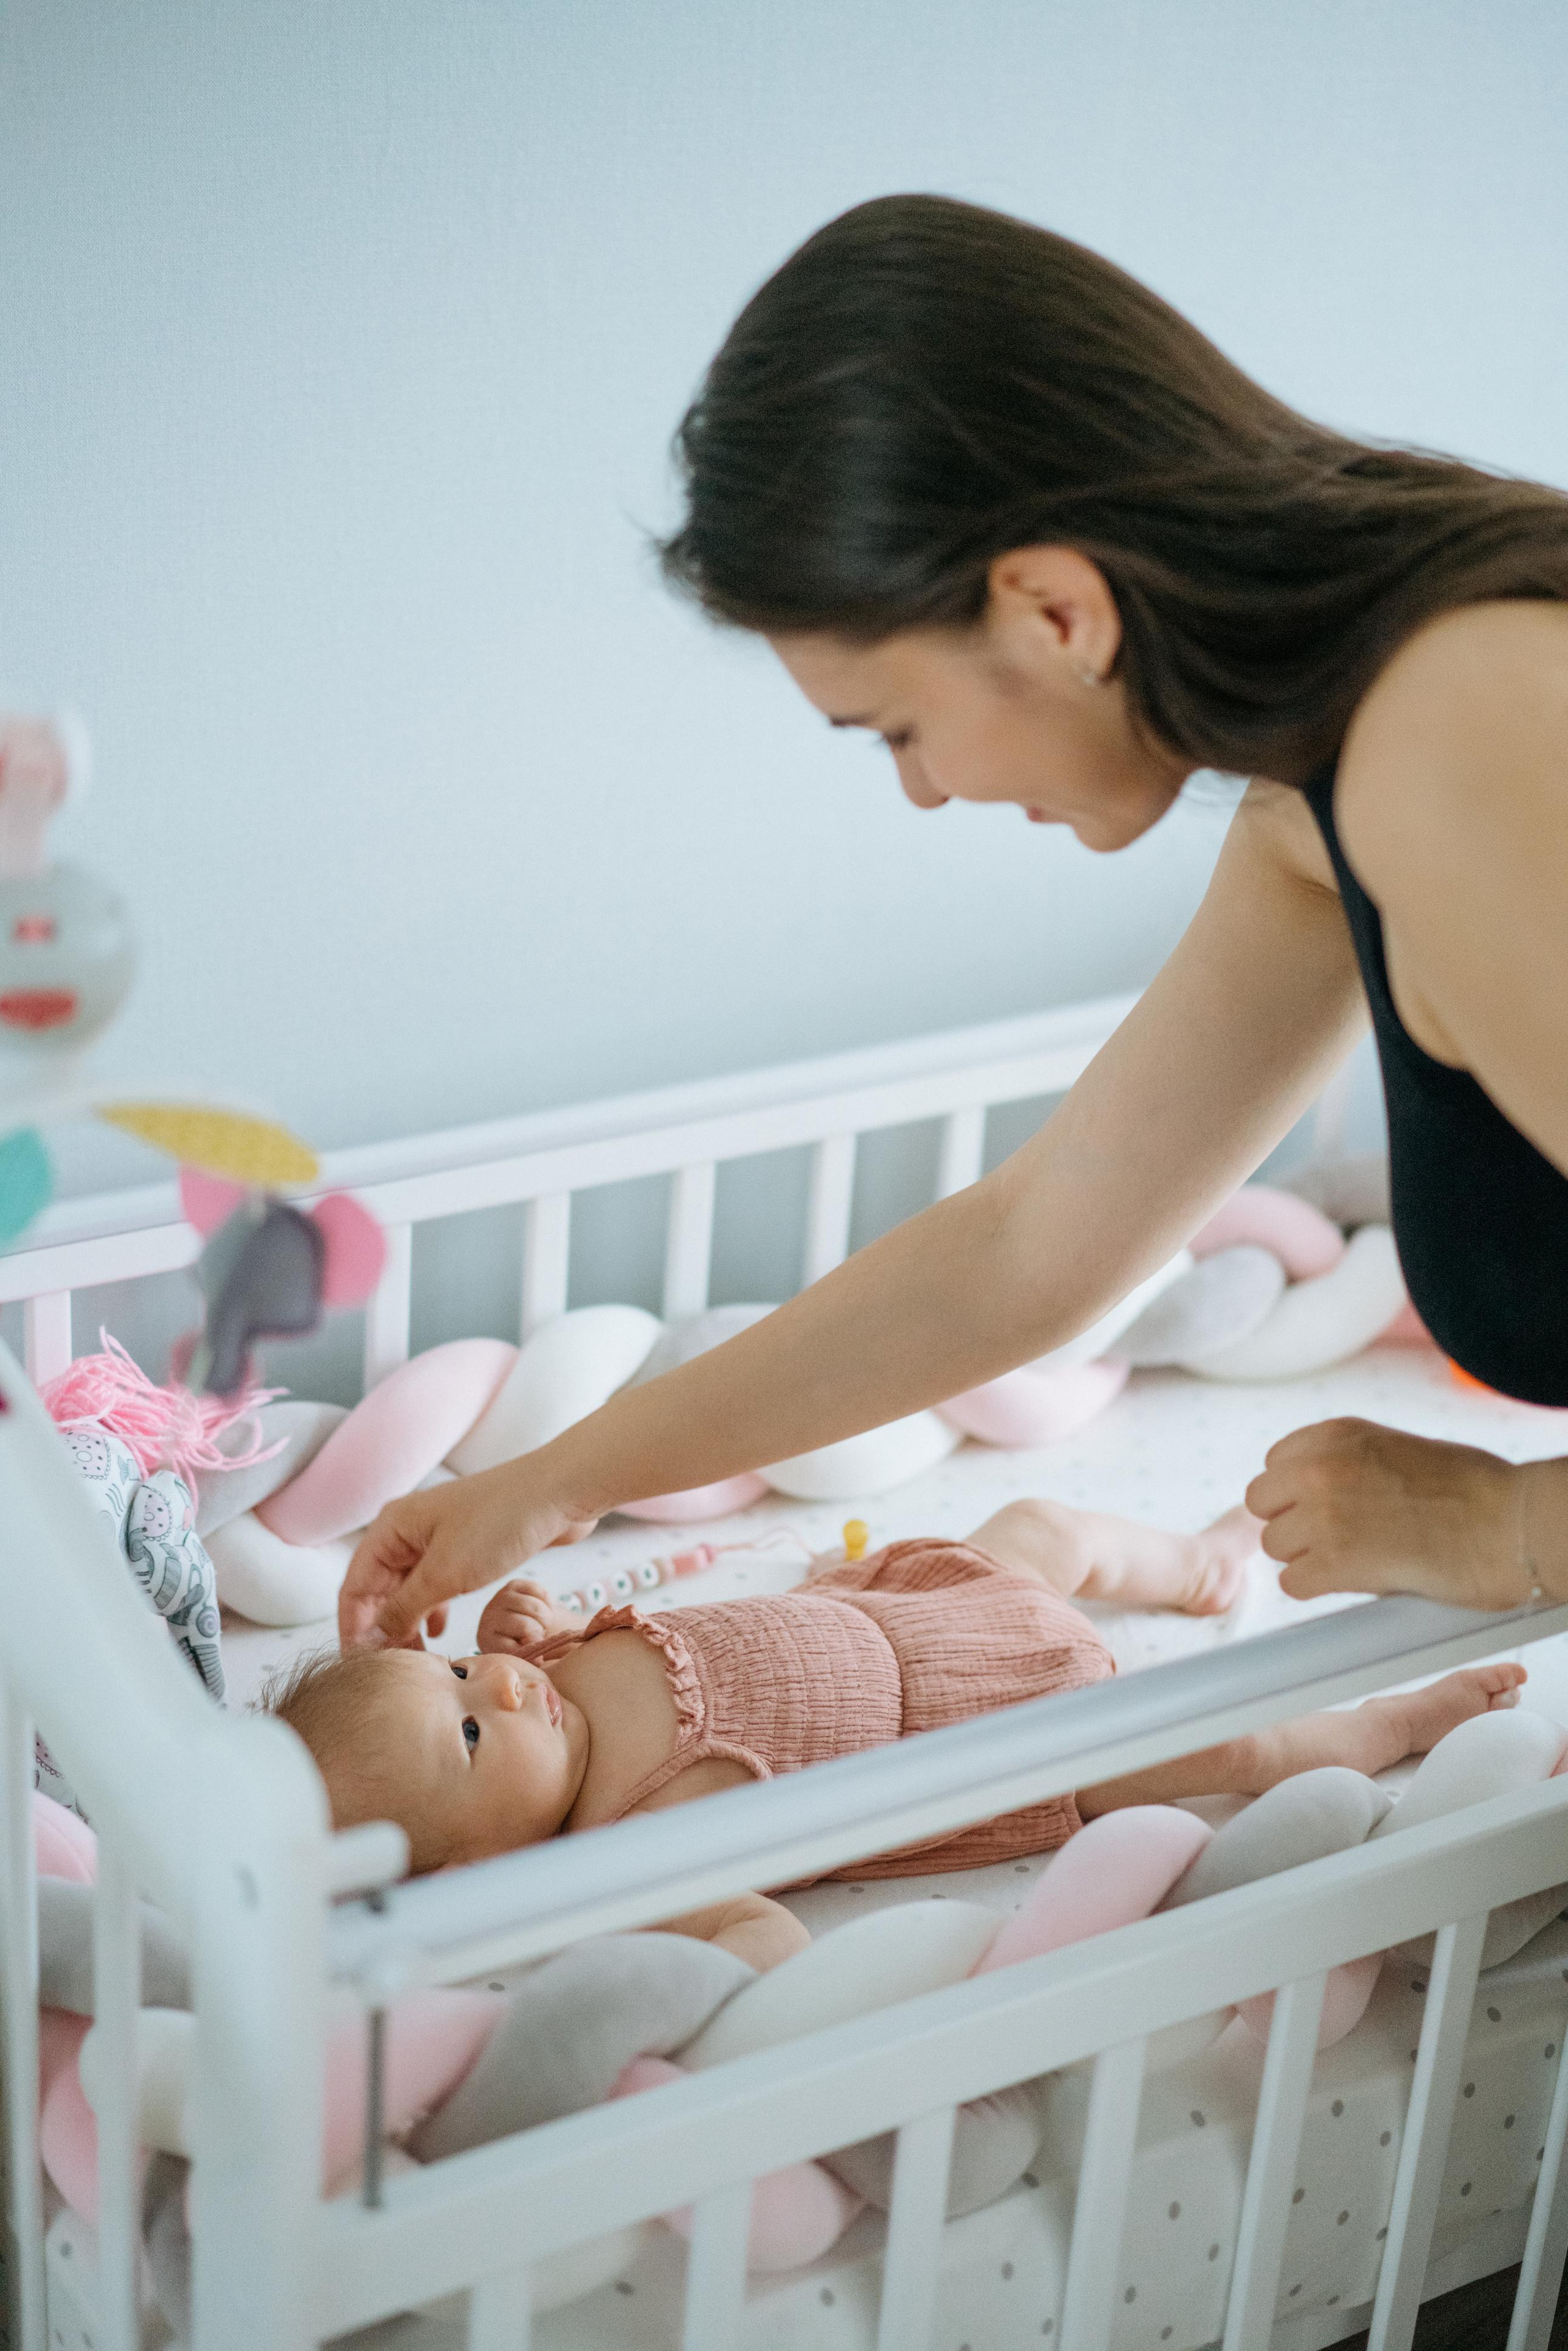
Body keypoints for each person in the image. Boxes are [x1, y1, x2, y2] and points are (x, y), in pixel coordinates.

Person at [340, 192, 1568, 1658]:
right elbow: (1027, 1251)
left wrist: (1507, 1530)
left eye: (896, 728)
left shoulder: (1457, 741)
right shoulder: (1318, 800)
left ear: (1052, 612)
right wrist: (559, 1482)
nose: (923, 793)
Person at [287, 1496, 1522, 1967]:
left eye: (457, 1670)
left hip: (913, 1604)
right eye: (464, 1732)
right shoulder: (621, 1854)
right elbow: (759, 1932)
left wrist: (522, 1617)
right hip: (1001, 1728)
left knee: (1043, 1528)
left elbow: (529, 1646)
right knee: (1232, 1753)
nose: (498, 1687)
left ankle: (1194, 1561)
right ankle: (1383, 1716)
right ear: (477, 1867)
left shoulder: (531, 1687)